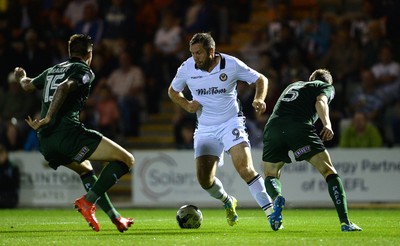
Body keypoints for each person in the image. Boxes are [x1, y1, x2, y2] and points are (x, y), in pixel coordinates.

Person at [14, 34, 134, 233]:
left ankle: (115, 217)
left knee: (85, 169)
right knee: (126, 160)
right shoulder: (83, 70)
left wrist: (20, 77)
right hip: (68, 135)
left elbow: (27, 85)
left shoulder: (53, 70)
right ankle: (88, 202)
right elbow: (64, 87)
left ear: (70, 52)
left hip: (46, 141)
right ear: (89, 53)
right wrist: (50, 116)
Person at [168, 32, 274, 227]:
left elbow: (261, 79)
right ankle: (227, 200)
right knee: (205, 180)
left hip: (231, 123)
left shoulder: (231, 64)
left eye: (199, 53)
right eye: (192, 53)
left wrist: (259, 99)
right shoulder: (186, 68)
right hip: (205, 129)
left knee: (245, 168)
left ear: (211, 51)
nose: (195, 57)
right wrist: (186, 104)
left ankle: (271, 212)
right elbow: (173, 91)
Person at [261, 68, 362, 232]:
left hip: (273, 127)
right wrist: (327, 123)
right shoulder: (325, 86)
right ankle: (345, 222)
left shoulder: (293, 86)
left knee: (271, 173)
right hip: (298, 127)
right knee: (328, 171)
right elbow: (321, 101)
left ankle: (276, 197)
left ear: (310, 78)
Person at [0, 144, 20, 208]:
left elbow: (15, 184)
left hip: (9, 197)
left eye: (1, 152)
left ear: (6, 154)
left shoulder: (12, 167)